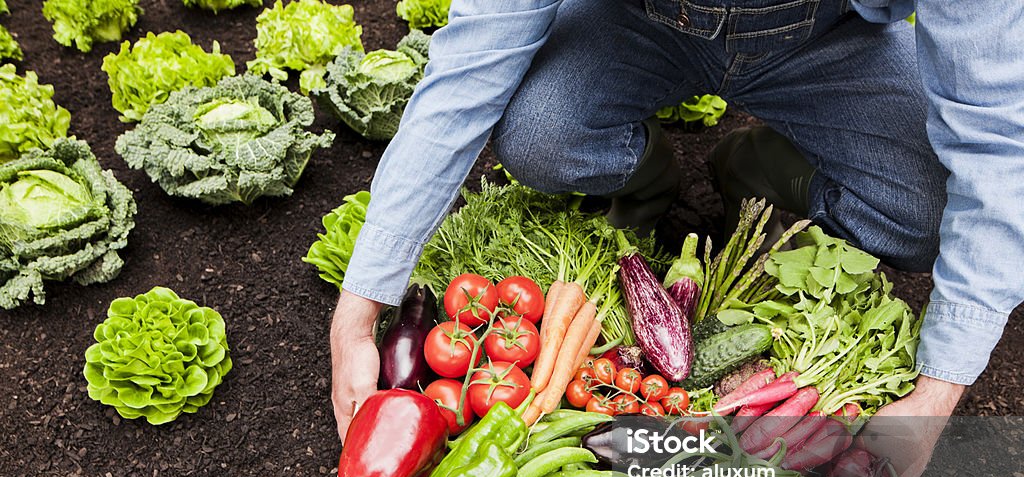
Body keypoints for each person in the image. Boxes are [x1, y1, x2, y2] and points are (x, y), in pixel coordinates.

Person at [330, 0, 1023, 441]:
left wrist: (938, 394)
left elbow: (997, 134)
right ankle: (646, 170)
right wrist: (357, 311)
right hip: (638, 25)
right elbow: (468, 67)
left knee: (925, 211)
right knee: (541, 133)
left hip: (822, 38)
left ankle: (762, 169)